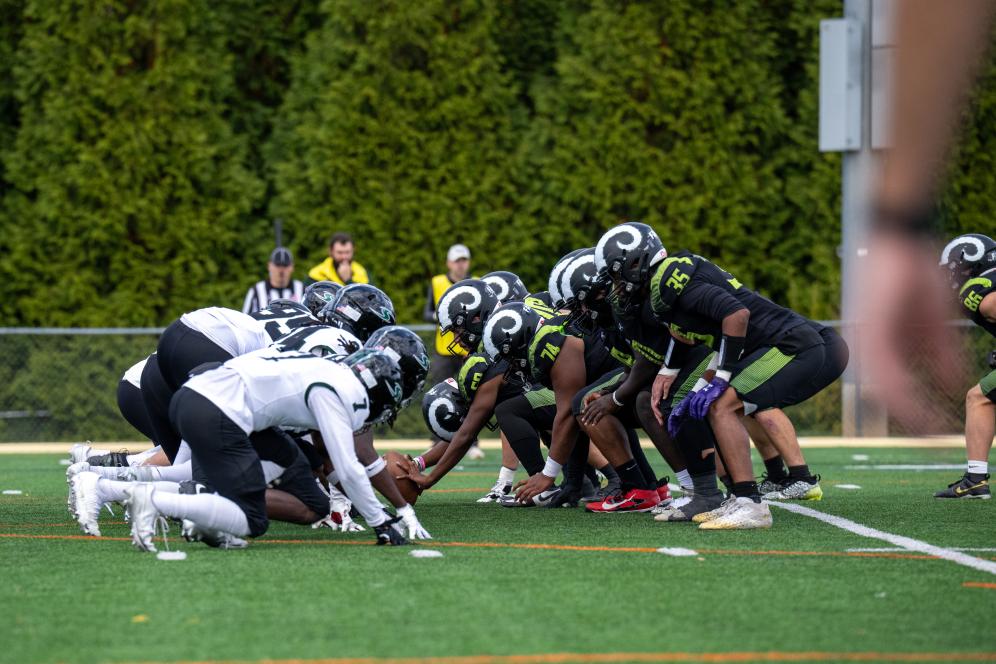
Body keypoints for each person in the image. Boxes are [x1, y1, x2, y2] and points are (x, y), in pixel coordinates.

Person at [934, 233, 995, 499]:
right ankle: (976, 480)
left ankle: (976, 480)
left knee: (979, 398)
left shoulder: (976, 287)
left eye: (954, 271)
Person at [423, 243, 473, 392]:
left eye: (464, 260)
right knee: (440, 391)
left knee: (471, 392)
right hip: (444, 349)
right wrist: (444, 317)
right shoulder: (437, 282)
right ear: (449, 263)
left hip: (471, 348)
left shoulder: (477, 282)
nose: (460, 265)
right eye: (457, 261)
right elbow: (427, 313)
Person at [242, 247, 304, 314]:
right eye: (277, 265)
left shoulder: (301, 289)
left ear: (292, 267)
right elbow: (244, 320)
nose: (281, 270)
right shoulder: (256, 291)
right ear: (269, 266)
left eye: (285, 265)